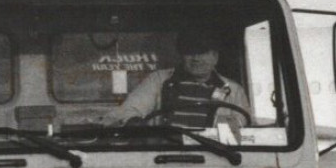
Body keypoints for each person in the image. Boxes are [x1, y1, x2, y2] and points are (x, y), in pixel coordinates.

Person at [100, 29, 250, 128]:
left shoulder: (234, 90)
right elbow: (129, 110)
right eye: (190, 52)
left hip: (214, 156)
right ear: (182, 56)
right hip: (165, 154)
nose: (196, 58)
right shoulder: (158, 80)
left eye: (202, 52)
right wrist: (134, 122)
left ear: (215, 57)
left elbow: (243, 128)